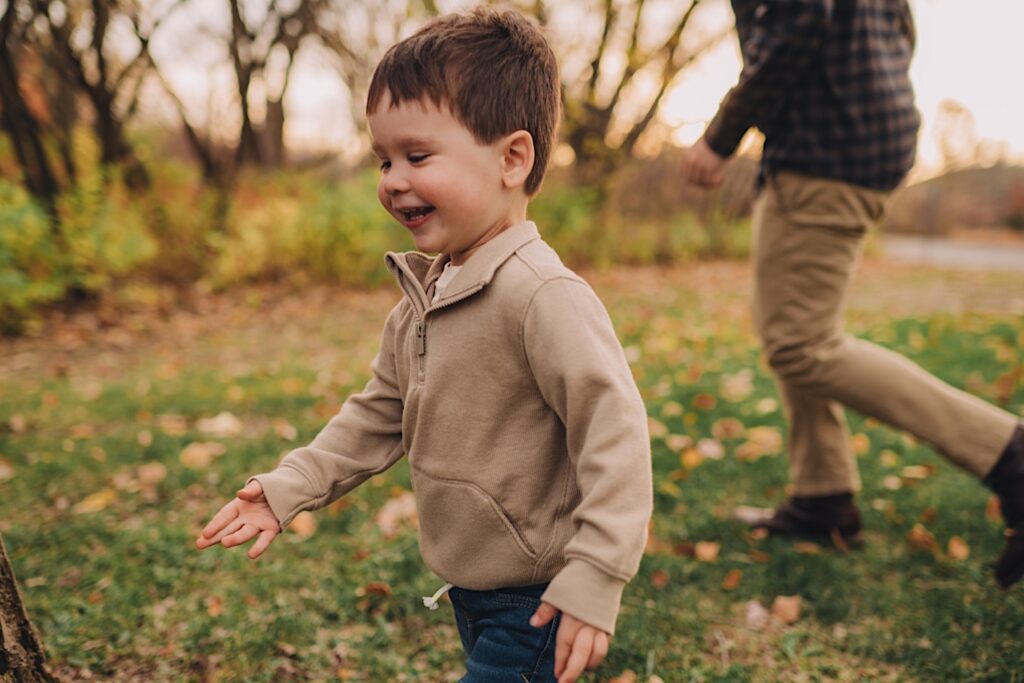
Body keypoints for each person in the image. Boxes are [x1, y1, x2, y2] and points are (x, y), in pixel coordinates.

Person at [195, 8, 653, 682]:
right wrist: (289, 485)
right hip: (473, 586)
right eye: (384, 158)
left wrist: (597, 572)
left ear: (512, 158)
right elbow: (378, 413)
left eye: (417, 155)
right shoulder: (425, 299)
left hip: (540, 596)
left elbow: (613, 432)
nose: (392, 179)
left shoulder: (543, 296)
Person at [681, 0, 1024, 587]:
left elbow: (800, 19)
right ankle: (822, 495)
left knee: (801, 344)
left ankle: (1009, 454)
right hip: (850, 137)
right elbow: (898, 23)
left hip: (825, 147)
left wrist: (720, 135)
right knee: (786, 321)